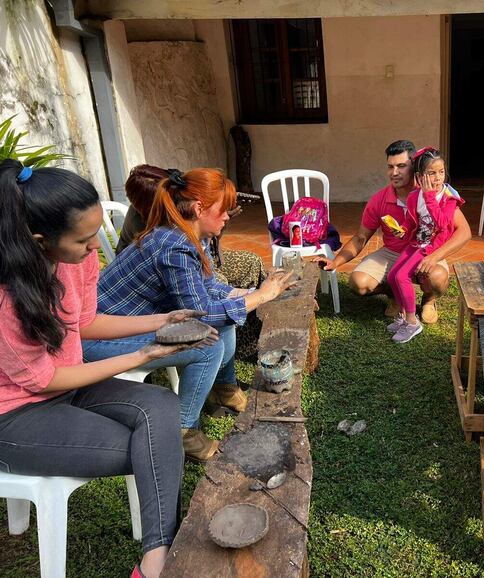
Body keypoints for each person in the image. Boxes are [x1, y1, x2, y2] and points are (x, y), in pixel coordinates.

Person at [0, 160, 199, 578]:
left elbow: (86, 323)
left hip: (69, 385)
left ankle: (155, 557)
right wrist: (142, 356)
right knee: (151, 450)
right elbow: (44, 379)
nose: (96, 247)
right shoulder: (6, 297)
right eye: (85, 239)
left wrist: (161, 320)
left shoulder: (76, 260)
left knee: (159, 406)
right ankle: (162, 557)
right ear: (40, 241)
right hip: (16, 414)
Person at [83, 168, 294, 461]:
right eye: (223, 210)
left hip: (130, 323)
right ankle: (182, 431)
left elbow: (206, 289)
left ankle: (224, 387)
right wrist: (260, 296)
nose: (227, 217)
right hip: (97, 337)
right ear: (198, 208)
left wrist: (242, 294)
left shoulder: (192, 234)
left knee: (224, 321)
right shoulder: (175, 246)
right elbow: (202, 313)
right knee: (208, 347)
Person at [117, 164, 266, 361]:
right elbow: (200, 308)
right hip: (164, 282)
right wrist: (263, 295)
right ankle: (226, 369)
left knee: (250, 263)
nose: (171, 199)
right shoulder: (164, 235)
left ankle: (246, 345)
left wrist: (221, 217)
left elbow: (206, 248)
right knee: (217, 302)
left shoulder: (185, 218)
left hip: (198, 258)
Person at [316, 140, 471, 323]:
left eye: (401, 166)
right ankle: (395, 296)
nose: (394, 172)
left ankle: (429, 300)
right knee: (359, 282)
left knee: (437, 277)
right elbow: (360, 238)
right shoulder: (379, 200)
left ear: (415, 169)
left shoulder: (435, 194)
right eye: (390, 167)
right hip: (393, 252)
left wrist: (435, 256)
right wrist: (335, 262)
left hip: (427, 249)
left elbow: (464, 232)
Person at [387, 147, 464, 343]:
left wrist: (430, 197)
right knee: (393, 274)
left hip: (431, 247)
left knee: (403, 276)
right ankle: (403, 317)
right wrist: (402, 229)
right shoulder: (414, 196)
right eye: (432, 173)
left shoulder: (447, 199)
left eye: (441, 172)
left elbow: (442, 224)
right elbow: (414, 221)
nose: (438, 178)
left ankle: (413, 323)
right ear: (420, 177)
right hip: (416, 243)